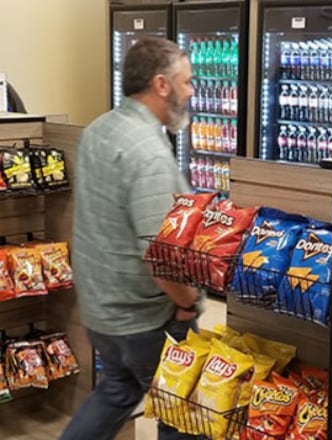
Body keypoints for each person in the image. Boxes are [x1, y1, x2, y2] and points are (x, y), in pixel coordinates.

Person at [60, 37, 203, 440]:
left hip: (101, 310)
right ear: (162, 85)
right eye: (187, 82)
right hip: (145, 320)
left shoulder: (99, 130)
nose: (191, 91)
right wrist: (188, 305)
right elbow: (160, 255)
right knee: (186, 413)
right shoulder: (149, 155)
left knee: (117, 391)